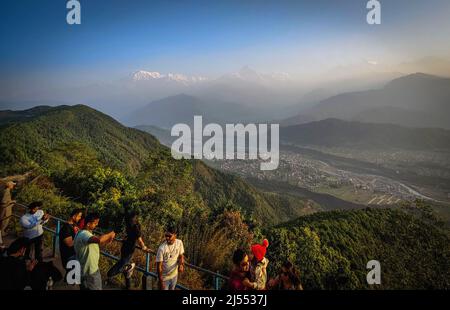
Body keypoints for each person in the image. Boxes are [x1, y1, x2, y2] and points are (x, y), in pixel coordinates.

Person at [107, 211, 150, 289]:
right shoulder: (130, 225)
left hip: (129, 249)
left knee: (114, 271)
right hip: (125, 247)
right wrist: (125, 238)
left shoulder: (136, 227)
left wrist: (144, 247)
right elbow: (129, 235)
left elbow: (139, 240)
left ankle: (130, 266)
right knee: (124, 266)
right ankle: (128, 285)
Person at [73, 212, 115, 290]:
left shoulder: (83, 233)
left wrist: (106, 240)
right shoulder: (84, 234)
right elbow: (98, 240)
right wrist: (110, 234)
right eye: (95, 223)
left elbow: (94, 245)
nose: (96, 225)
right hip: (90, 273)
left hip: (84, 271)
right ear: (88, 224)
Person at [156, 225, 185, 290]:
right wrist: (161, 282)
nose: (167, 238)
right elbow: (159, 266)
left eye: (169, 236)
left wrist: (181, 265)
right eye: (166, 236)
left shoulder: (179, 243)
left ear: (175, 235)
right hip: (164, 278)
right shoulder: (162, 248)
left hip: (174, 276)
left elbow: (181, 255)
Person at [59, 208, 83, 275]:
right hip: (69, 256)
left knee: (72, 274)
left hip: (73, 255)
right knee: (72, 276)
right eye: (79, 216)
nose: (80, 218)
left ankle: (69, 279)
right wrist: (81, 239)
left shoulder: (73, 225)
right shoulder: (66, 228)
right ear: (74, 216)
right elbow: (69, 243)